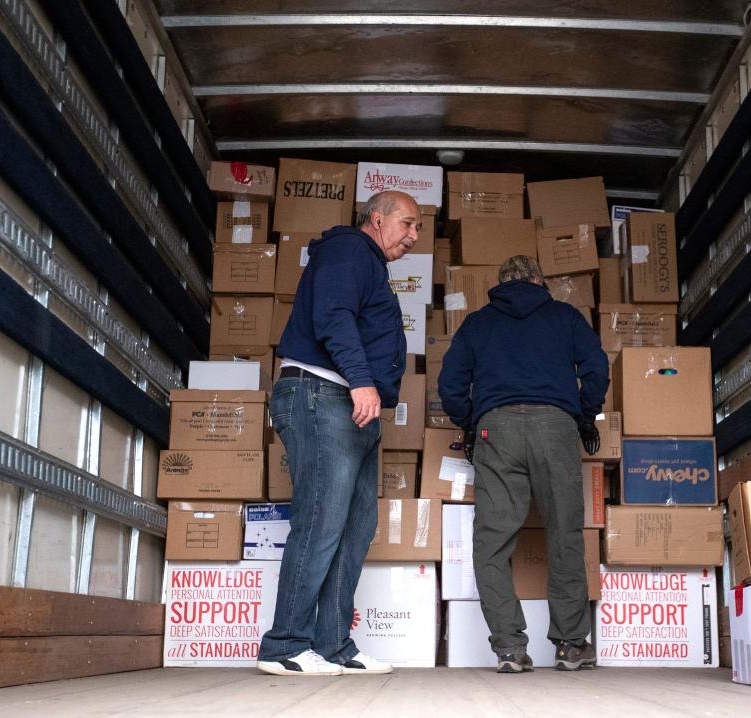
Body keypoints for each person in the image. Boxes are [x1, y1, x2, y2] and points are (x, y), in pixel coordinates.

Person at [256, 190, 420, 677]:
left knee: (356, 528)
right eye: (408, 224)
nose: (413, 236)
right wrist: (363, 381)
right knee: (322, 522)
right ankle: (285, 643)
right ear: (377, 218)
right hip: (321, 395)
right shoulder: (348, 250)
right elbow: (333, 318)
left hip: (346, 404)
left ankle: (331, 644)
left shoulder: (368, 263)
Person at [438, 255, 608, 673]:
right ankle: (570, 645)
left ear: (500, 283)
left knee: (492, 543)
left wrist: (471, 421)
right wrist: (584, 415)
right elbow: (597, 369)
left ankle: (510, 649)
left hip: (497, 429)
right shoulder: (564, 316)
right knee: (565, 534)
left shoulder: (477, 323)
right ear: (538, 280)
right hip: (556, 427)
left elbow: (450, 383)